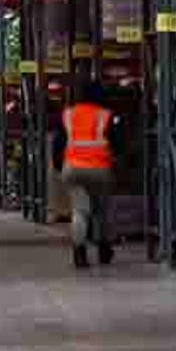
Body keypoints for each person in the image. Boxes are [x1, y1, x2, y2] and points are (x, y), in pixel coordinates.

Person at [56, 84, 118, 269]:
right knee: (101, 211)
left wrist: (60, 167)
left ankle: (79, 252)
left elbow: (59, 143)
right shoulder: (105, 115)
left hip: (73, 169)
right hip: (100, 169)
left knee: (80, 211)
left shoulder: (68, 115)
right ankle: (104, 250)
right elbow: (117, 142)